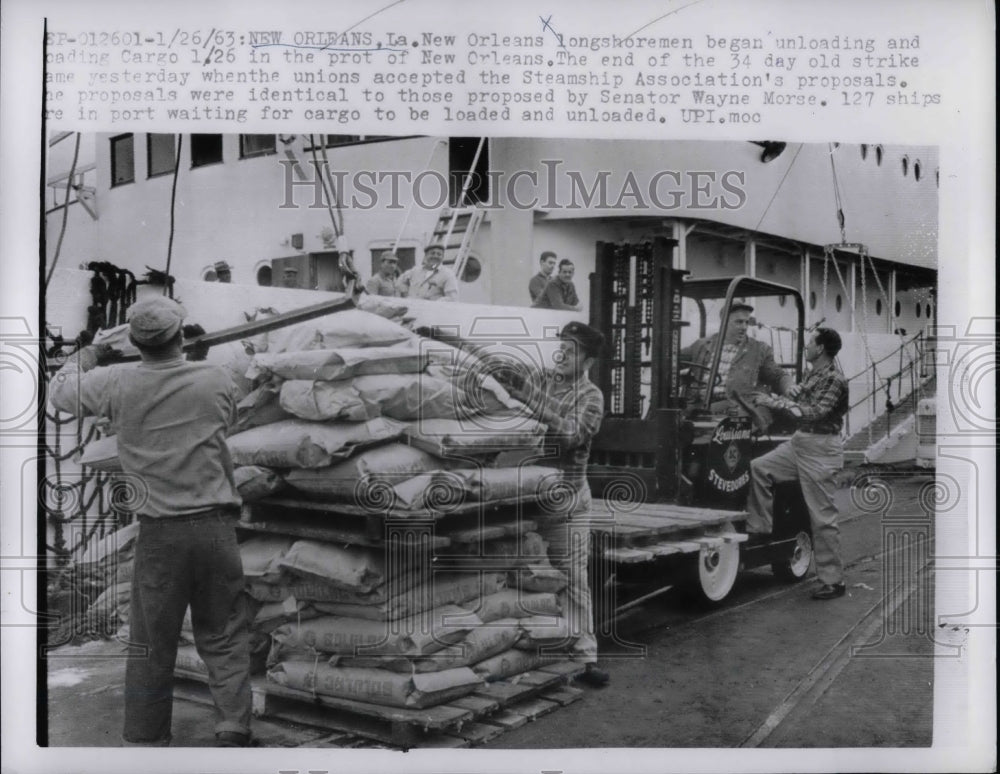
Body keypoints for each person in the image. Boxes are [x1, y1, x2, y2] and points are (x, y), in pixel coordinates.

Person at [49, 296, 253, 746]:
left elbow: (59, 388)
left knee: (150, 644)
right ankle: (234, 727)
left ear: (136, 343)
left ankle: (146, 740)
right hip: (217, 530)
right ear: (180, 337)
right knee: (223, 633)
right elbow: (227, 415)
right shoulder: (216, 378)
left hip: (161, 535)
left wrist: (91, 353)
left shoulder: (115, 382)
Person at [506, 321, 610, 687]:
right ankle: (535, 648)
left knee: (572, 579)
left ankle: (585, 657)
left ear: (588, 360)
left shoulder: (592, 396)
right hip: (530, 498)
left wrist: (531, 402)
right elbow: (508, 377)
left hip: (567, 503)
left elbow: (571, 436)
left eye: (573, 349)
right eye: (562, 345)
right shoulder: (541, 378)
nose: (564, 353)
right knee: (526, 578)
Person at [745, 327, 850, 600]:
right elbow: (794, 397)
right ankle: (760, 529)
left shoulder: (834, 380)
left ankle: (834, 581)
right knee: (759, 467)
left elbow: (816, 412)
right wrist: (769, 398)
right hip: (800, 442)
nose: (806, 346)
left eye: (810, 343)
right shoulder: (814, 375)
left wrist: (775, 404)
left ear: (821, 348)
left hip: (820, 448)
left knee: (822, 517)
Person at [681, 300, 790, 428]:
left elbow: (778, 376)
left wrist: (789, 387)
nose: (744, 327)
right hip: (700, 408)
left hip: (737, 411)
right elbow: (673, 359)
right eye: (739, 322)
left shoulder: (759, 350)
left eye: (746, 322)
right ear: (724, 322)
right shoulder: (702, 345)